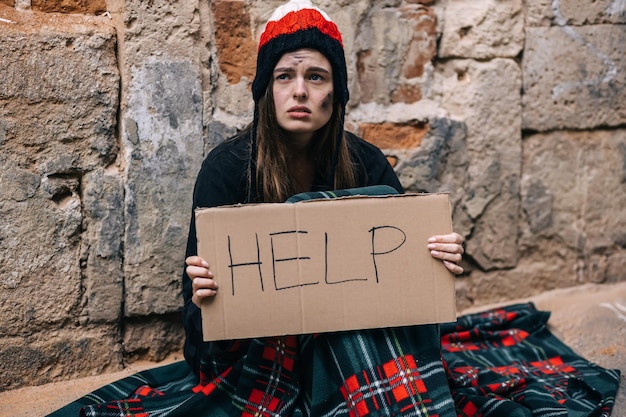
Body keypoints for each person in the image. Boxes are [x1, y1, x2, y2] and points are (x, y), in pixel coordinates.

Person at [182, 0, 464, 415]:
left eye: (315, 77)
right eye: (284, 76)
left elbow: (405, 283)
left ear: (337, 92)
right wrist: (203, 293)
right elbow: (195, 320)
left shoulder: (368, 165)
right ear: (266, 90)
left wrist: (439, 258)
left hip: (349, 341)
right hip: (253, 352)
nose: (300, 91)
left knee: (346, 335)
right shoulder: (225, 170)